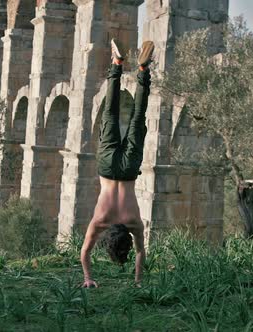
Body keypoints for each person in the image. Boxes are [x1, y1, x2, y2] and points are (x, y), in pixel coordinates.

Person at [80, 39, 155, 288]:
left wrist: (138, 281)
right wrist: (87, 278)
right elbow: (85, 254)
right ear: (108, 236)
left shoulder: (134, 223)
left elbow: (141, 252)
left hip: (129, 169)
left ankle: (143, 72)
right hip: (107, 166)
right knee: (110, 114)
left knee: (137, 117)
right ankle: (117, 64)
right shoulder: (99, 221)